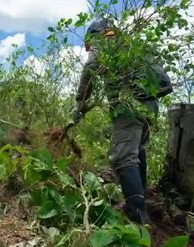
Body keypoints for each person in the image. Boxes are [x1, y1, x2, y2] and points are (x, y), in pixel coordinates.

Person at [72, 19, 172, 224]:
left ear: (93, 35)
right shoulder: (132, 45)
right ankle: (141, 198)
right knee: (137, 151)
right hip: (150, 106)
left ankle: (137, 215)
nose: (89, 48)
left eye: (88, 45)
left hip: (128, 105)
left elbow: (91, 66)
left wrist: (80, 104)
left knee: (123, 158)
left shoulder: (105, 41)